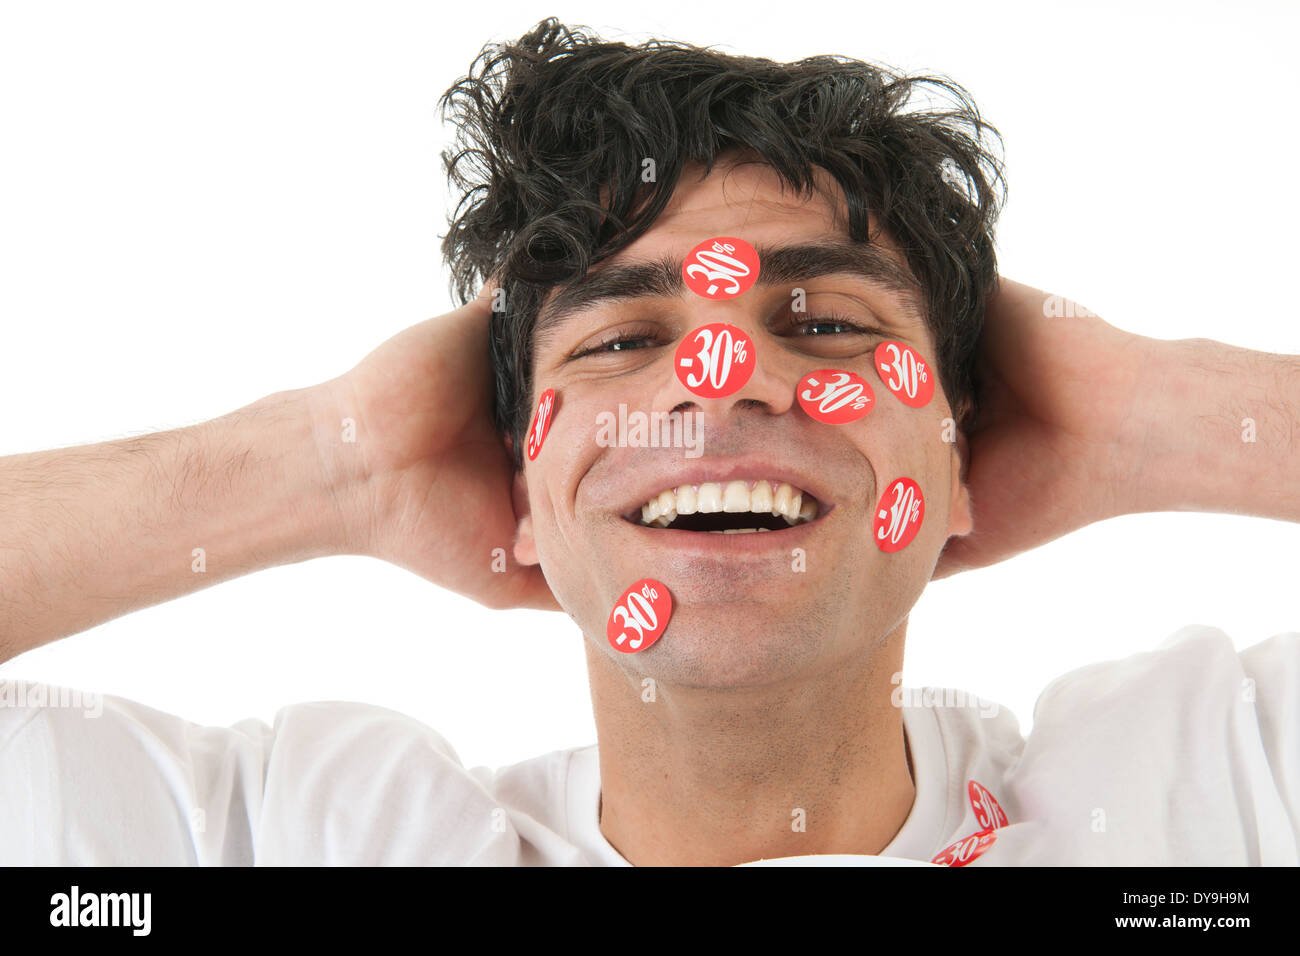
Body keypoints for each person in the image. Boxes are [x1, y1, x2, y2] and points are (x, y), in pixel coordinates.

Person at [1, 18, 1296, 866]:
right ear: (515, 490)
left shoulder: (1215, 789)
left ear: (961, 462)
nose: (720, 386)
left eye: (830, 324)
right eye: (620, 342)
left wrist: (1146, 416)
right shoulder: (313, 838)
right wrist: (339, 456)